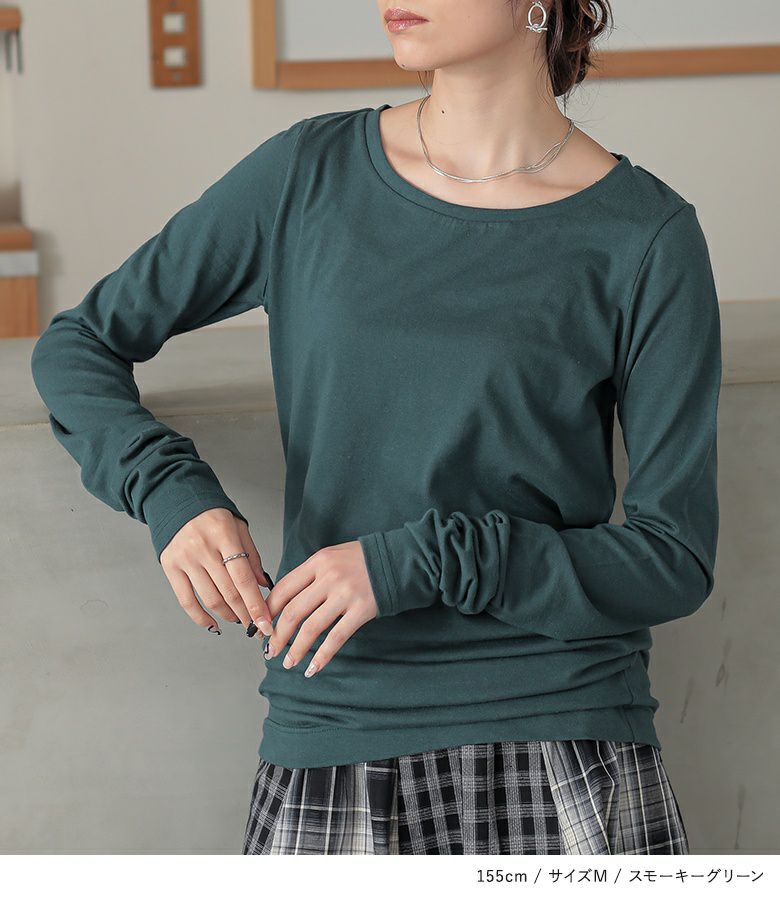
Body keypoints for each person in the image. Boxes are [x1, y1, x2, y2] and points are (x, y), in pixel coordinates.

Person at [30, 0, 721, 855]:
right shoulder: (307, 175)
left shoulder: (645, 234)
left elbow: (673, 559)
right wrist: (173, 493)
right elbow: (79, 345)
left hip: (560, 738)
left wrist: (417, 562)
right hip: (337, 727)